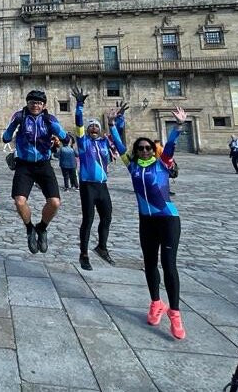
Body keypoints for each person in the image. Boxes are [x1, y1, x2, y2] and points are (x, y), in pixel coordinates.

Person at [115, 106, 187, 340]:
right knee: (149, 263)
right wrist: (115, 123)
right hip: (146, 221)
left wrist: (178, 126)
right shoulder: (133, 166)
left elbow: (170, 146)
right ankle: (156, 303)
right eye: (141, 148)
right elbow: (118, 144)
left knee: (168, 265)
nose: (145, 150)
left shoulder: (162, 163)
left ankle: (174, 313)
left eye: (148, 148)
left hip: (168, 219)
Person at [2, 89, 68, 254]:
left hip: (43, 164)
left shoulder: (49, 119)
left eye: (39, 103)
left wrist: (53, 127)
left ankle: (42, 228)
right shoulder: (20, 116)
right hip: (24, 165)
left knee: (55, 202)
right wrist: (13, 126)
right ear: (27, 103)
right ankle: (30, 228)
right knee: (19, 201)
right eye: (32, 102)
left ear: (44, 105)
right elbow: (6, 137)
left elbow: (65, 138)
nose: (35, 105)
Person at [72, 88, 125, 269]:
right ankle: (84, 254)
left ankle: (102, 247)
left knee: (107, 217)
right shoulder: (83, 142)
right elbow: (78, 124)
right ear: (87, 130)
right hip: (87, 185)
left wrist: (117, 121)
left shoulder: (104, 143)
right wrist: (79, 106)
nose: (94, 128)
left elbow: (119, 139)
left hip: (102, 186)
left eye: (96, 126)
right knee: (88, 219)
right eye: (91, 126)